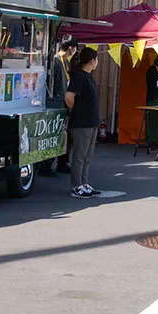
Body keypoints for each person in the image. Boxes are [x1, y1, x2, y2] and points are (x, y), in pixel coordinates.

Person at [65, 47, 102, 198]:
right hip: (81, 122)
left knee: (88, 155)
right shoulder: (79, 76)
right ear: (92, 61)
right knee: (79, 155)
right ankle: (76, 185)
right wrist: (74, 110)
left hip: (92, 122)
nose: (97, 62)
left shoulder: (89, 76)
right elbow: (69, 96)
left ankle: (84, 182)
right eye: (97, 59)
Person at [41, 37, 77, 176]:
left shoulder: (66, 62)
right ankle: (47, 164)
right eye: (74, 48)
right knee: (54, 135)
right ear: (71, 48)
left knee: (64, 135)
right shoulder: (56, 61)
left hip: (64, 103)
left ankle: (62, 162)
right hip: (56, 102)